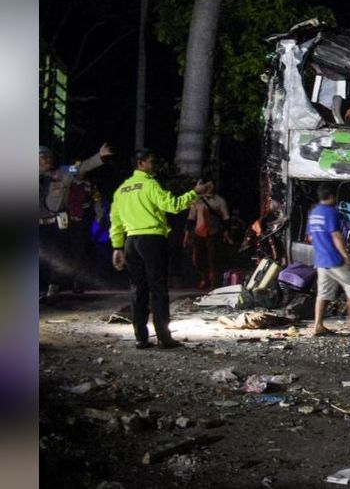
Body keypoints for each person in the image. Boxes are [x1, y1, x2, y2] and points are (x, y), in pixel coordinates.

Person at [110, 149, 212, 349]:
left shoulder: (121, 189)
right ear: (141, 163)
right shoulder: (149, 184)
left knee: (137, 289)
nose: (153, 164)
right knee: (158, 289)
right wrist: (195, 192)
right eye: (150, 161)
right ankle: (164, 338)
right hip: (152, 240)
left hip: (131, 242)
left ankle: (140, 338)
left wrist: (117, 247)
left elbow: (115, 222)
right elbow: (172, 205)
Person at [39, 143, 112, 298]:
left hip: (54, 223)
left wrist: (99, 157)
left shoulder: (63, 172)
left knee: (55, 255)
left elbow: (81, 168)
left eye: (49, 157)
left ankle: (53, 287)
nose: (47, 161)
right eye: (43, 157)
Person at [306, 184, 350, 337]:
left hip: (321, 260)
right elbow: (336, 236)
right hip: (334, 259)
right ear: (332, 197)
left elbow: (310, 237)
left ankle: (318, 326)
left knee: (323, 293)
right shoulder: (331, 212)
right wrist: (346, 256)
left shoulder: (314, 213)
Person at [183, 186, 232, 291]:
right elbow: (191, 218)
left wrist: (226, 231)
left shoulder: (219, 200)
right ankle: (204, 277)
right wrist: (186, 235)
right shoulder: (197, 200)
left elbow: (226, 217)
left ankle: (213, 283)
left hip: (214, 232)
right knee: (197, 259)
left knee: (213, 259)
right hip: (199, 233)